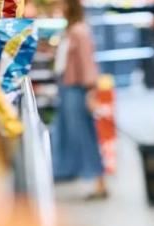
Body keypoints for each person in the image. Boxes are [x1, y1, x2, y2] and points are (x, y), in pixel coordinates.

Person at [51, 0, 108, 199]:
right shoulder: (71, 30)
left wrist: (91, 93)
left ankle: (99, 182)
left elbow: (87, 63)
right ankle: (66, 170)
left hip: (77, 90)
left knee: (84, 134)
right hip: (68, 88)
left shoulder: (79, 31)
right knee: (68, 132)